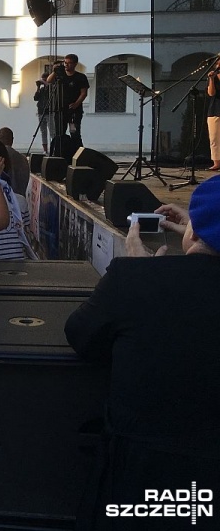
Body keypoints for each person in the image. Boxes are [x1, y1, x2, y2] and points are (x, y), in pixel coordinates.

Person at [64, 175, 220, 530]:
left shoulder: (136, 278)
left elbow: (80, 334)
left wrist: (137, 270)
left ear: (192, 235)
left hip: (144, 482)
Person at [46, 54, 89, 148]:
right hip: (60, 110)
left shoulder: (80, 77)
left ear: (75, 64)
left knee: (75, 133)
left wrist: (76, 104)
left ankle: (77, 153)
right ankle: (60, 153)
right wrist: (55, 71)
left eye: (69, 63)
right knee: (59, 134)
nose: (66, 65)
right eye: (65, 63)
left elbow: (84, 93)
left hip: (74, 111)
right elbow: (49, 81)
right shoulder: (60, 76)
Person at [34, 72, 56, 154]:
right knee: (43, 132)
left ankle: (53, 149)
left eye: (44, 80)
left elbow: (52, 94)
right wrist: (38, 87)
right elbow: (35, 98)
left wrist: (46, 83)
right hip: (41, 112)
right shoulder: (42, 89)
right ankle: (45, 150)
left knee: (52, 132)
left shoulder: (52, 88)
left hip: (50, 112)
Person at [206, 61, 220, 170]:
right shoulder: (213, 77)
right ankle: (217, 163)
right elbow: (211, 93)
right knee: (214, 137)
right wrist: (211, 79)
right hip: (215, 109)